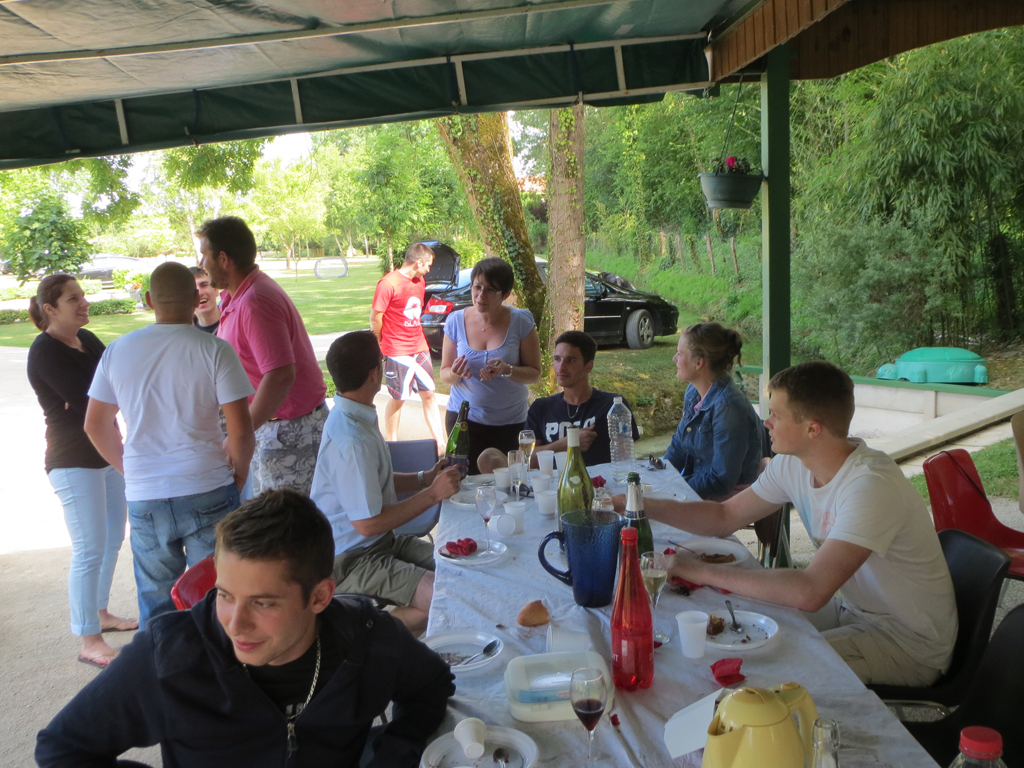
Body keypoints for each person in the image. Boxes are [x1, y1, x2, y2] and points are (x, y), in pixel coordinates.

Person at [35, 489, 456, 768]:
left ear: (320, 597)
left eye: (263, 602)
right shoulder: (167, 658)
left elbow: (431, 685)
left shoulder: (366, 636)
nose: (235, 624)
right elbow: (63, 748)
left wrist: (393, 755)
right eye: (224, 595)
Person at [628, 361, 957, 687]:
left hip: (907, 642)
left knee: (762, 673)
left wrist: (698, 570)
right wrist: (637, 505)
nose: (766, 422)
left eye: (776, 414)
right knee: (739, 619)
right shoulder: (794, 464)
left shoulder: (870, 486)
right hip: (854, 611)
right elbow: (724, 517)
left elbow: (811, 591)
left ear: (812, 429)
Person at [84, 262, 255, 628]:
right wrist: (238, 478)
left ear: (149, 300)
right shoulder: (215, 350)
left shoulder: (117, 351)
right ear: (195, 298)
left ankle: (161, 661)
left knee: (156, 602)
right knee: (216, 596)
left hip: (146, 493)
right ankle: (214, 661)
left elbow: (95, 424)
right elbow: (241, 429)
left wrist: (130, 470)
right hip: (207, 484)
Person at [310, 331, 461, 635]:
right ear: (373, 374)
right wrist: (432, 495)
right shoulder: (352, 438)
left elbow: (371, 484)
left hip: (380, 544)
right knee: (443, 597)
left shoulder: (354, 415)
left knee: (461, 568)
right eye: (382, 362)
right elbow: (367, 524)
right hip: (349, 560)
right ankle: (360, 639)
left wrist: (424, 479)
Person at [26, 275, 137, 669]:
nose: (84, 303)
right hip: (72, 462)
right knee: (90, 547)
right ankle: (89, 639)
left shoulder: (86, 339)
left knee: (111, 540)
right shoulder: (44, 352)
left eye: (83, 296)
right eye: (73, 299)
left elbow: (118, 381)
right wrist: (116, 395)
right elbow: (92, 400)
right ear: (50, 309)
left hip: (106, 455)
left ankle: (100, 613)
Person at [197, 216, 328, 496]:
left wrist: (240, 434)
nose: (201, 262)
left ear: (223, 259)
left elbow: (280, 375)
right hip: (272, 429)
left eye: (204, 255)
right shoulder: (236, 298)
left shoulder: (255, 301)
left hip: (290, 432)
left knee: (285, 520)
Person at [477, 330, 639, 472]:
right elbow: (524, 460)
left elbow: (625, 459)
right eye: (557, 359)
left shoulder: (612, 406)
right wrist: (567, 443)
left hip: (600, 486)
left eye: (571, 360)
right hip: (549, 487)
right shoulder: (541, 407)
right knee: (487, 456)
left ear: (588, 366)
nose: (561, 367)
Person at [439, 257, 542, 474]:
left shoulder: (521, 321)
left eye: (490, 290)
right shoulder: (455, 321)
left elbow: (534, 374)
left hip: (511, 422)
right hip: (464, 421)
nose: (480, 295)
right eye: (477, 287)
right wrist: (455, 373)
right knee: (466, 482)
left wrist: (508, 370)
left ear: (505, 294)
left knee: (510, 481)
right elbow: (444, 373)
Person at [663, 322, 763, 500]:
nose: (674, 358)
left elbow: (721, 481)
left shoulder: (729, 407)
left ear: (699, 362)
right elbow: (679, 447)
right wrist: (657, 474)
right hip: (702, 490)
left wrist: (671, 487)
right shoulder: (694, 392)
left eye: (680, 353)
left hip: (730, 499)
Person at [370, 242, 447, 452]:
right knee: (399, 398)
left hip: (419, 346)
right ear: (418, 262)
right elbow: (376, 318)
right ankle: (393, 444)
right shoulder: (388, 283)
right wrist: (379, 341)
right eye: (428, 265)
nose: (429, 270)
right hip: (397, 349)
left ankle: (440, 443)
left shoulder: (420, 281)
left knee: (429, 394)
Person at [188, 265, 220, 333]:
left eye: (204, 285)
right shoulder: (185, 334)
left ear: (216, 290)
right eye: (193, 288)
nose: (199, 293)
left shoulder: (236, 322)